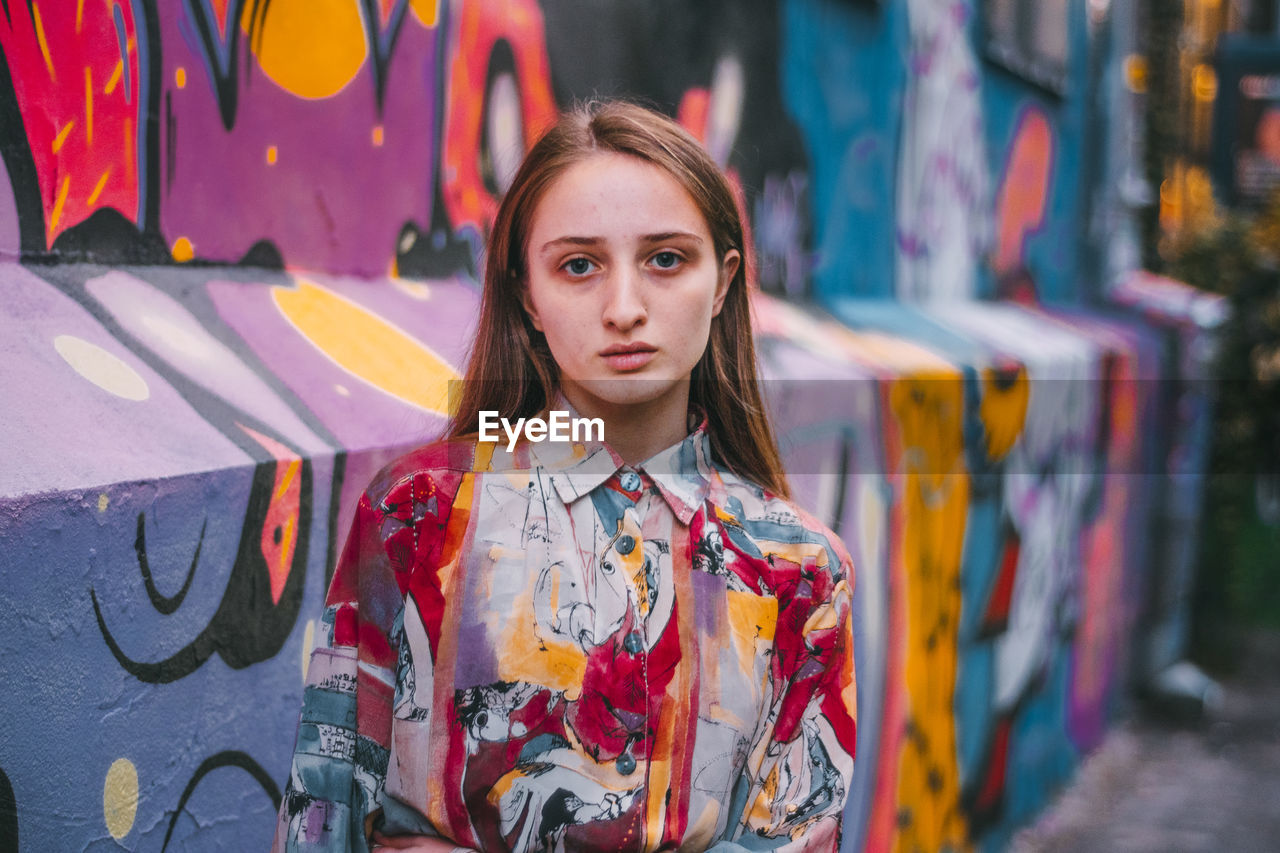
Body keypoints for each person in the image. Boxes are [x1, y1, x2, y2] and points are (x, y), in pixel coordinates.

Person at [272, 100, 857, 853]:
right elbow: (325, 811)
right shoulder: (418, 515)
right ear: (528, 296)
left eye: (666, 259)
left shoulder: (799, 570)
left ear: (722, 283)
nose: (624, 308)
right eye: (578, 265)